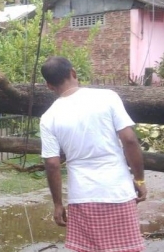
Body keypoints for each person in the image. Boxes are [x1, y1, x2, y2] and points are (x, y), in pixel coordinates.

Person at [39, 56, 147, 252]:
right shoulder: (108, 97)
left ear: (49, 86)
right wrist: (139, 179)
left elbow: (53, 164)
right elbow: (130, 140)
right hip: (118, 191)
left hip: (83, 195)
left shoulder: (48, 118)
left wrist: (57, 204)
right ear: (73, 72)